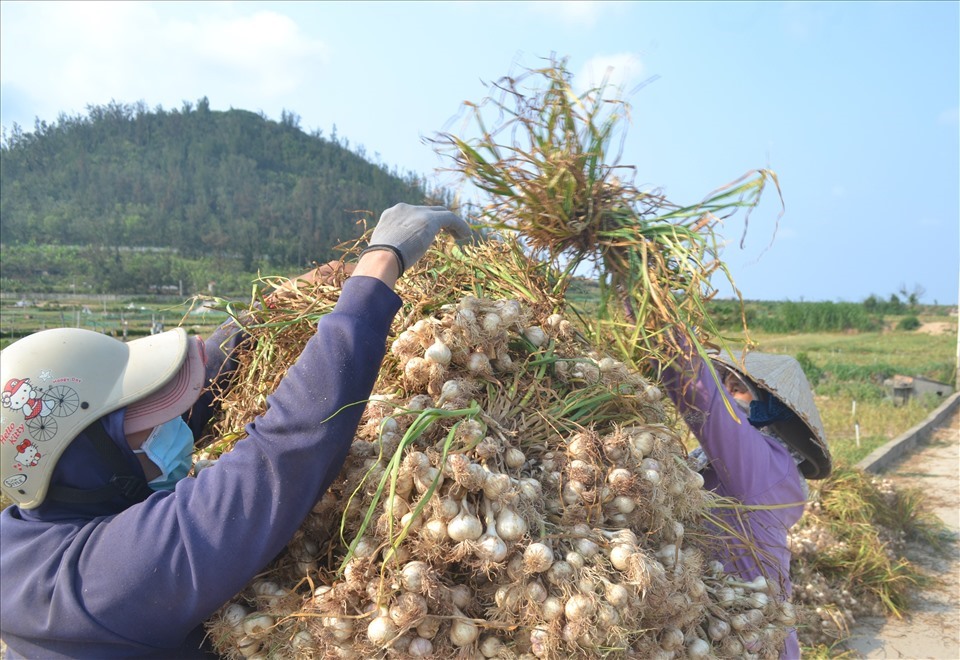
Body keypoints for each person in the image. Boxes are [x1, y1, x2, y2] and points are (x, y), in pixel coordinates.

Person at [0, 204, 471, 659]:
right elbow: (282, 453)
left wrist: (273, 309)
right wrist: (378, 268)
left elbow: (195, 387)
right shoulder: (95, 585)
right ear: (91, 461)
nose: (171, 425)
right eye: (143, 420)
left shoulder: (32, 528)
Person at [657, 344, 831, 660]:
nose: (731, 385)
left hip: (741, 639)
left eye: (744, 385)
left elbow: (705, 406)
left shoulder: (762, 466)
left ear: (775, 407)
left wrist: (667, 338)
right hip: (733, 628)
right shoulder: (758, 467)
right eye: (726, 379)